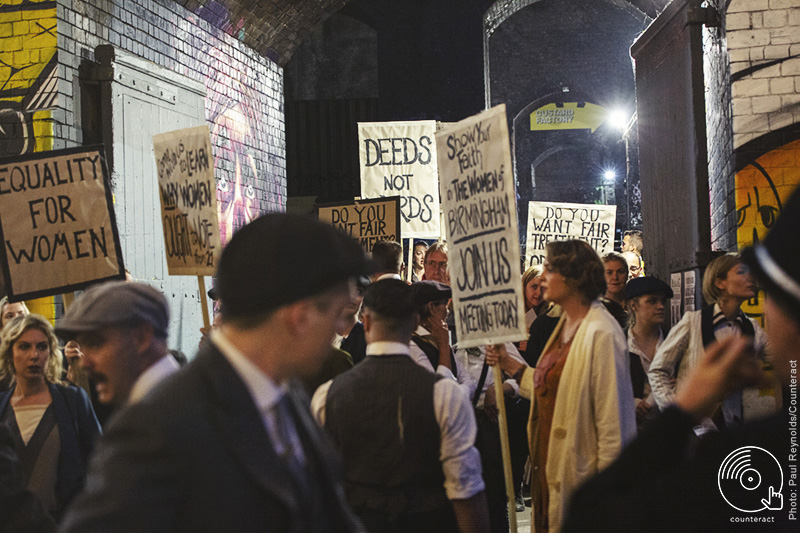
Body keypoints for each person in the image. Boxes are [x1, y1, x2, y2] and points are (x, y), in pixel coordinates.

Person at [60, 213, 369, 532]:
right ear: (300, 317)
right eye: (336, 314)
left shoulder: (284, 395)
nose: (339, 328)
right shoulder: (158, 426)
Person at [563, 187, 800, 533]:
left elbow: (593, 516)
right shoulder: (692, 323)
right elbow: (658, 371)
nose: (658, 307)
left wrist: (682, 410)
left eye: (766, 290)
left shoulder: (757, 457)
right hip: (703, 433)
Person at [311, 279, 489, 532]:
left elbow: (320, 488)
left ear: (368, 322)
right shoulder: (444, 393)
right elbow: (466, 491)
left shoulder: (327, 396)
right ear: (416, 322)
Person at [486, 240, 635, 533]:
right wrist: (510, 364)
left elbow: (613, 428)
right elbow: (556, 388)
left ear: (574, 277)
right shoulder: (564, 324)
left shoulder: (602, 333)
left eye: (550, 269)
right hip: (552, 469)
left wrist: (605, 500)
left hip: (584, 483)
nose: (542, 278)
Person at [648, 252, 767, 430]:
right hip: (692, 431)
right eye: (741, 271)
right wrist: (678, 415)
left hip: (730, 429)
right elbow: (657, 371)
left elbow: (789, 360)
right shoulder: (693, 322)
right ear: (720, 283)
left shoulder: (752, 328)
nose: (750, 277)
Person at [0, 315, 101, 522]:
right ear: (10, 353)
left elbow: (100, 461)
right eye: (24, 347)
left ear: (51, 353)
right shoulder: (2, 407)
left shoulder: (72, 401)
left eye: (42, 347)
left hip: (62, 522)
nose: (34, 355)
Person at [54, 282, 180, 408]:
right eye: (82, 346)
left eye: (95, 344)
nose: (83, 363)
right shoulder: (180, 401)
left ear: (141, 338)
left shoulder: (157, 418)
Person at [624, 277, 672, 431]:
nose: (660, 306)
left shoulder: (674, 342)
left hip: (668, 431)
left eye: (662, 301)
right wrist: (630, 405)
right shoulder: (619, 343)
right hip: (630, 432)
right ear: (634, 305)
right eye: (652, 301)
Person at [409, 280, 458, 377]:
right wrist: (444, 345)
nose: (447, 311)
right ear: (431, 308)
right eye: (445, 303)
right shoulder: (412, 346)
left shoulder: (439, 336)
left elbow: (468, 380)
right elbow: (443, 388)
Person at [601, 253, 629, 328]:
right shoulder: (595, 307)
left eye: (620, 272)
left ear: (627, 275)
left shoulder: (635, 304)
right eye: (609, 273)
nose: (615, 277)